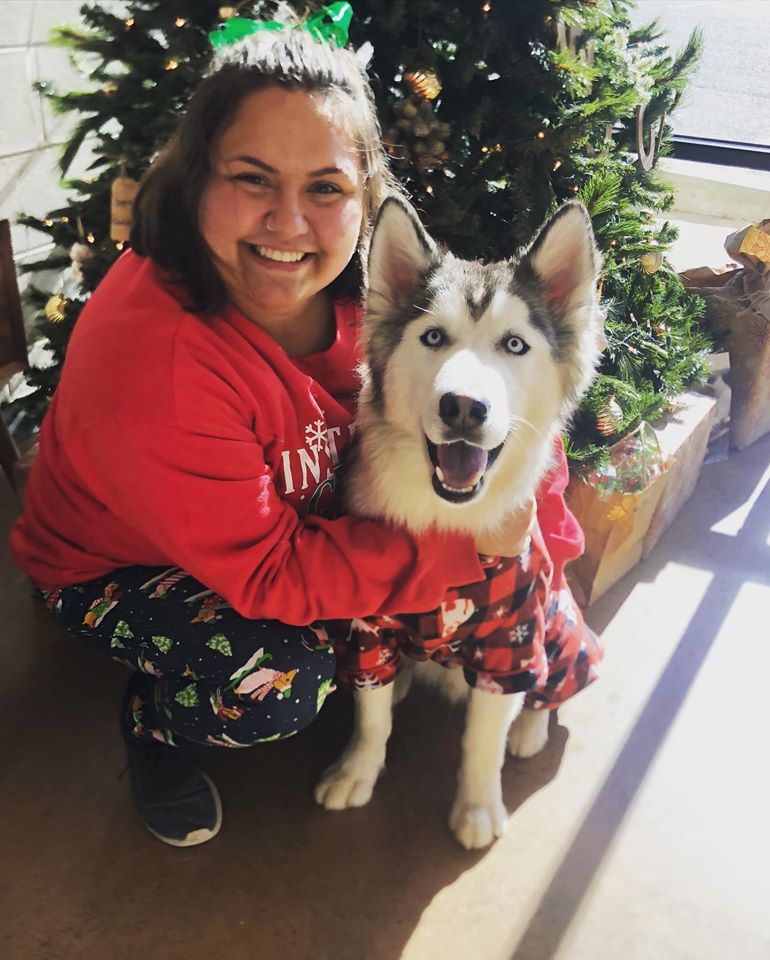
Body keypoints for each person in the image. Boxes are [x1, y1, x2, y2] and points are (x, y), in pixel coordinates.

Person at [9, 6, 587, 848]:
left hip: (283, 517)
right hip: (123, 567)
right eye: (251, 178)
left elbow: (501, 383)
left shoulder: (380, 284)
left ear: (365, 198)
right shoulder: (158, 362)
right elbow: (275, 574)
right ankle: (156, 726)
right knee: (283, 680)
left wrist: (536, 512)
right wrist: (475, 545)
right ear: (195, 176)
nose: (290, 223)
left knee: (365, 611)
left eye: (325, 187)